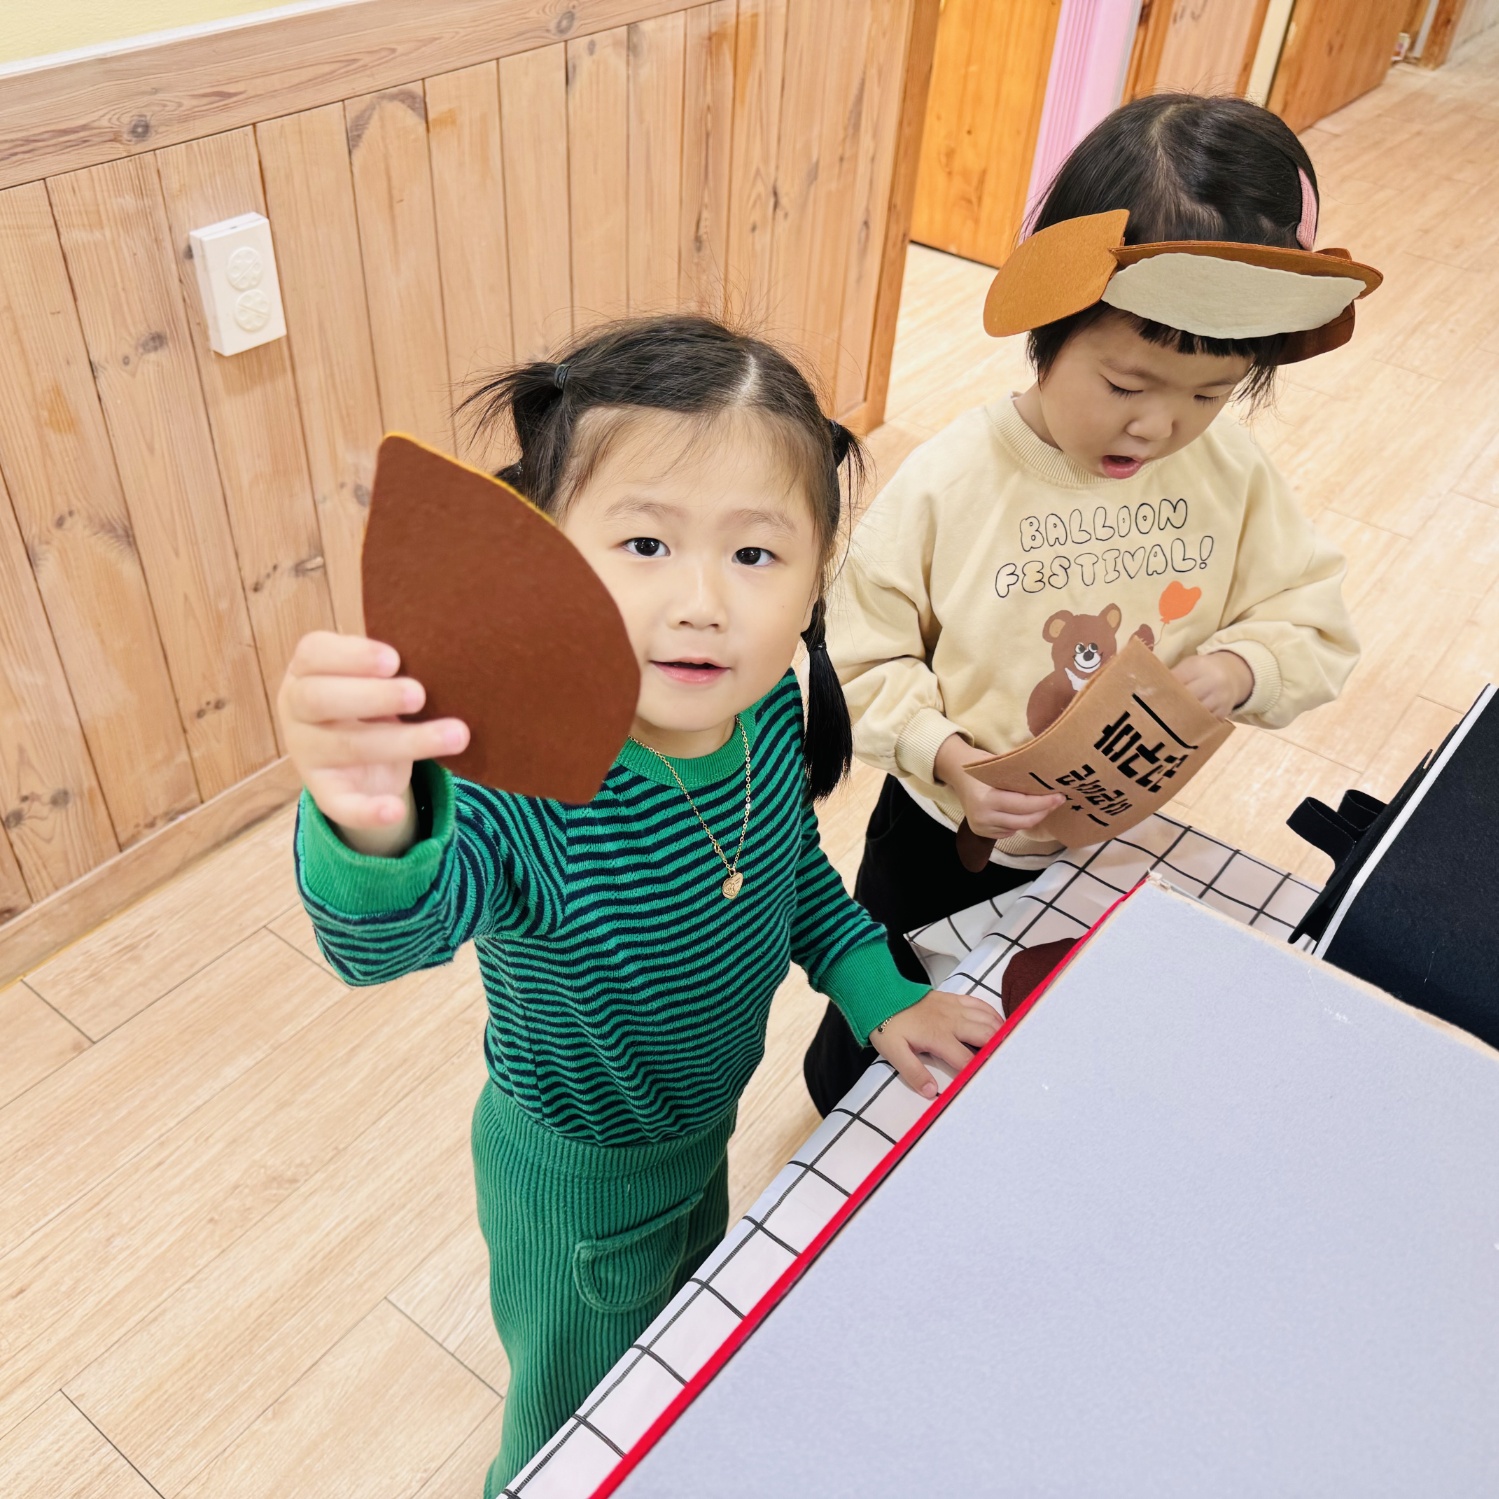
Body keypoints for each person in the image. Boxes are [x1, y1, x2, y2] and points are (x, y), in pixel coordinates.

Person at [277, 316, 1000, 1495]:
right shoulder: (534, 776)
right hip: (576, 1178)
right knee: (575, 1427)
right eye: (645, 542)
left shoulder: (762, 708)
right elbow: (383, 942)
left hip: (695, 1126)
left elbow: (786, 879)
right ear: (548, 556)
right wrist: (373, 818)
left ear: (821, 568)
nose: (702, 603)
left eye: (755, 555)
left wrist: (875, 990)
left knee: (673, 1359)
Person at [802, 93, 1367, 1114]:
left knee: (1044, 1021)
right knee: (880, 1024)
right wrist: (946, 756)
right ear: (1051, 323)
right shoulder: (952, 481)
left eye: (1207, 393)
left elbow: (1312, 621)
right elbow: (855, 658)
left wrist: (1238, 667)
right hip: (940, 829)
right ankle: (834, 1123)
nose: (1158, 424)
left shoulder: (1229, 474)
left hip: (1114, 830)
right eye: (1124, 380)